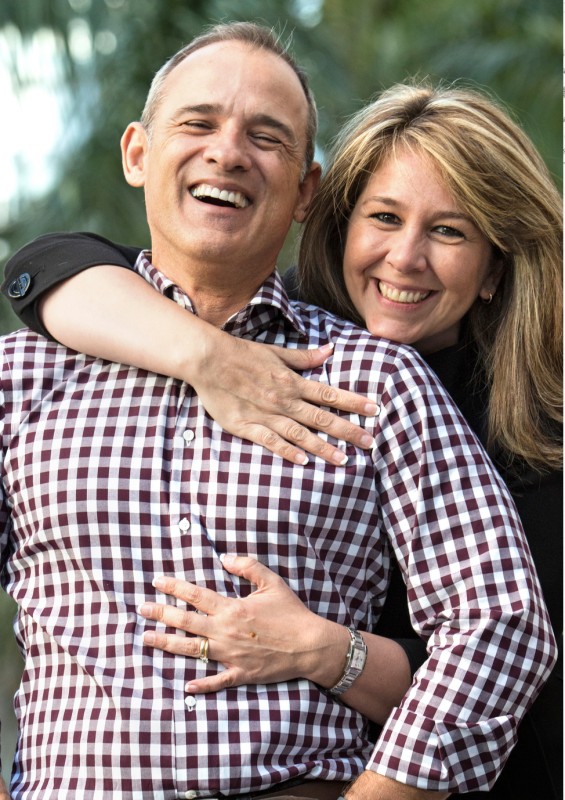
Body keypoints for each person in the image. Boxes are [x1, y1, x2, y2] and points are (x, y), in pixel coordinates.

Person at [0, 24, 556, 800]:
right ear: (137, 154)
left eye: (265, 138)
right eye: (197, 122)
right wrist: (207, 356)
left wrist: (335, 669)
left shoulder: (377, 380)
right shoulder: (25, 374)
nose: (227, 152)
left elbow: (500, 630)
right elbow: (40, 266)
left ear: (304, 192)